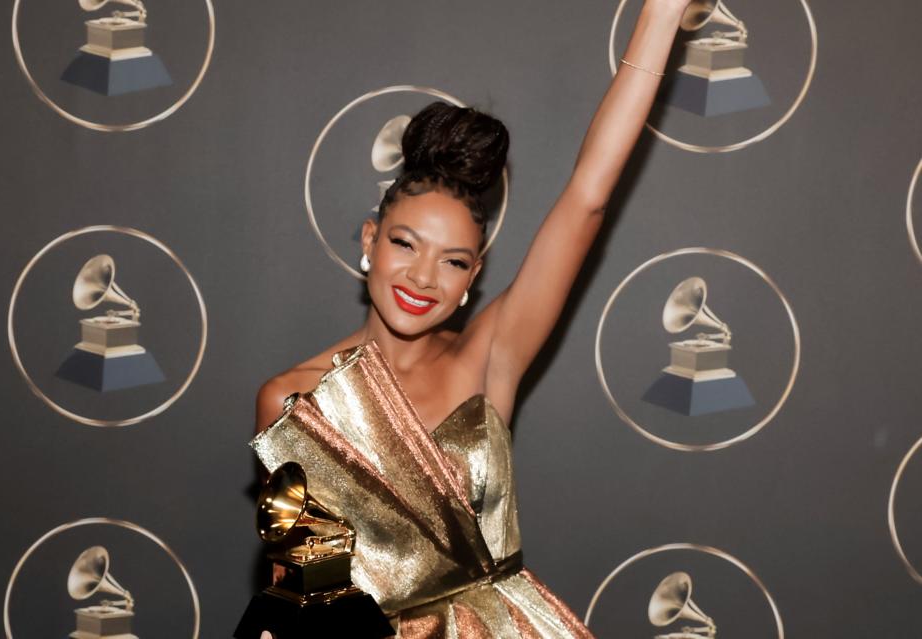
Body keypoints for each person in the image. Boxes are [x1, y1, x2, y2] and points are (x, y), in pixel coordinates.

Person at [254, 1, 692, 636]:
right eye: (404, 244)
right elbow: (298, 588)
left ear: (472, 278)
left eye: (452, 261)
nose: (423, 278)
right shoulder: (291, 400)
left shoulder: (488, 355)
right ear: (369, 241)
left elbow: (589, 198)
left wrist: (663, 10)